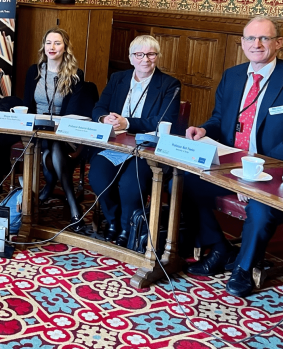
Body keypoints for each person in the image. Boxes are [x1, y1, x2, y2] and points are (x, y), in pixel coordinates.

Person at [182, 16, 283, 297]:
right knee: (182, 182)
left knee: (261, 209)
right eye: (250, 39)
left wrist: (253, 175)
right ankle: (220, 248)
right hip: (232, 165)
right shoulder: (233, 75)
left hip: (275, 174)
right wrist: (203, 129)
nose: (256, 44)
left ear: (278, 43)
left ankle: (243, 268)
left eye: (264, 38)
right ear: (242, 43)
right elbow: (220, 119)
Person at [88, 35, 180, 246]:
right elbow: (99, 107)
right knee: (98, 176)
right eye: (139, 54)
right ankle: (113, 223)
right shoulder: (118, 79)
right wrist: (105, 118)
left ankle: (128, 227)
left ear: (157, 56)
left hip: (146, 148)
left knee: (130, 184)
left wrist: (127, 123)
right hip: (115, 144)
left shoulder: (169, 84)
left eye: (150, 54)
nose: (145, 59)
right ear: (131, 58)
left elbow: (163, 120)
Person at [23, 28, 99, 230]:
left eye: (57, 43)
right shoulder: (34, 71)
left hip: (63, 132)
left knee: (54, 147)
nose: (52, 47)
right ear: (44, 46)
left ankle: (49, 189)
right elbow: (26, 105)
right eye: (48, 42)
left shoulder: (75, 75)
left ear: (65, 47)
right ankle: (73, 209)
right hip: (36, 130)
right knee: (51, 148)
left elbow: (73, 111)